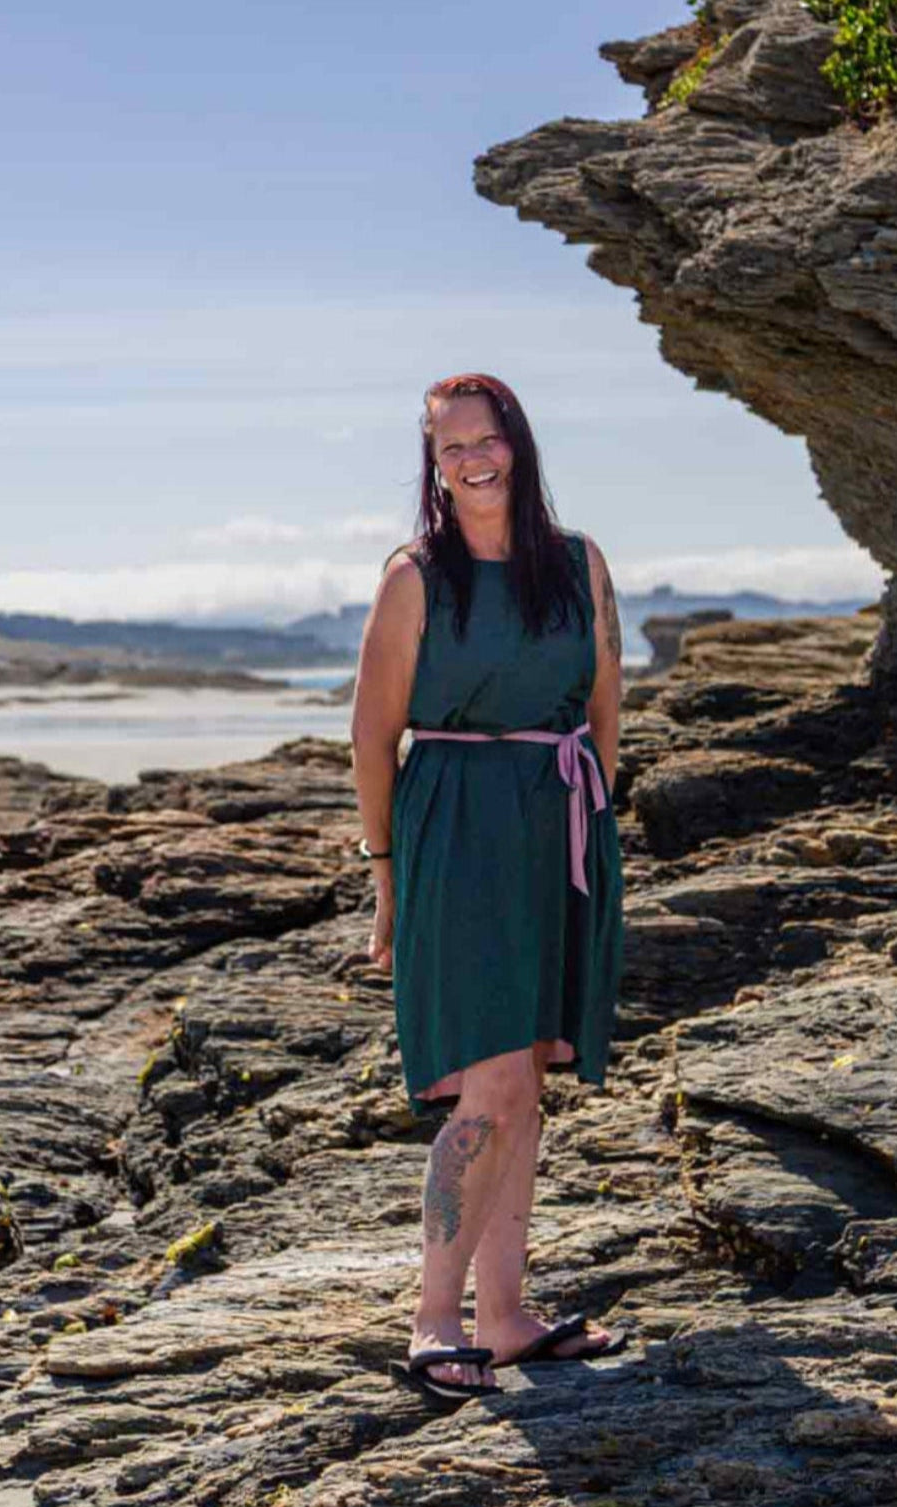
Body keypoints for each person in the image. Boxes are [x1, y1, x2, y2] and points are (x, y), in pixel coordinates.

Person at [350, 373, 627, 1408]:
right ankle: (434, 1317)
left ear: (517, 441)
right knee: (490, 1085)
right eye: (446, 445)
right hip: (454, 823)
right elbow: (373, 740)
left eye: (484, 439)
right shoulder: (416, 575)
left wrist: (593, 832)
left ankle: (505, 1317)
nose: (468, 459)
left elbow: (604, 706)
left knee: (529, 1082)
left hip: (558, 820)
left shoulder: (578, 564)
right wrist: (385, 877)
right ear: (431, 460)